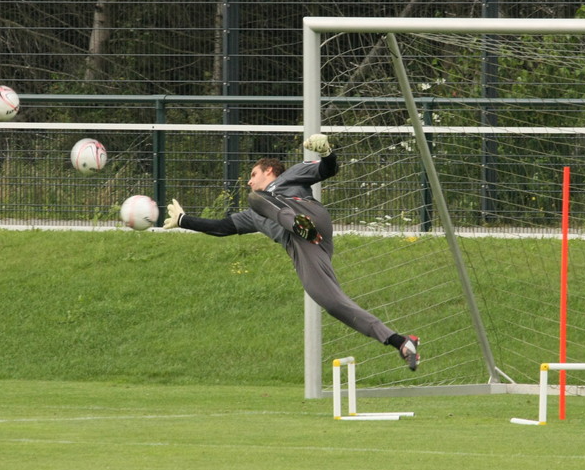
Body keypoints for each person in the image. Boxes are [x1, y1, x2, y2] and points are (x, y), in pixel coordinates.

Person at [162, 134, 419, 369]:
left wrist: (328, 152)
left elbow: (328, 169)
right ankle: (401, 342)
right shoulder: (254, 214)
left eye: (253, 174)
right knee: (332, 303)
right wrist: (184, 220)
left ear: (270, 170)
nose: (249, 181)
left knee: (256, 198)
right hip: (301, 245)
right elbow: (221, 227)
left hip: (310, 217)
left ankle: (295, 222)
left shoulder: (290, 176)